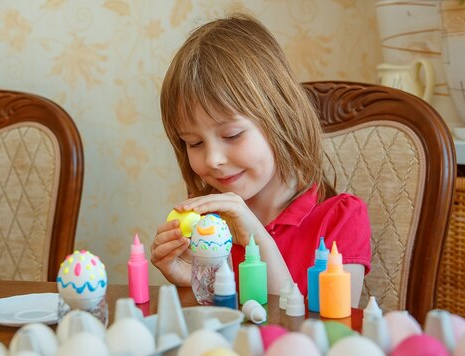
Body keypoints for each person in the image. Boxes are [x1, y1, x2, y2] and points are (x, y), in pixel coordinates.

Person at [150, 13, 371, 307]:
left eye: (232, 135)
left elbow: (327, 338)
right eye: (195, 143)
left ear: (281, 117)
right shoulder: (209, 225)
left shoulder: (340, 220)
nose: (213, 159)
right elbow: (207, 338)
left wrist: (257, 240)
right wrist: (194, 281)